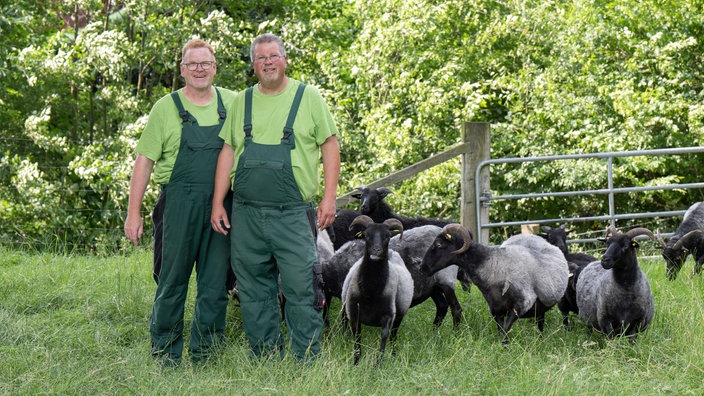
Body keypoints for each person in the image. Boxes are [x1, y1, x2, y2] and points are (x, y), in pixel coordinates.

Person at [211, 33, 340, 362]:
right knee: (254, 290)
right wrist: (217, 203)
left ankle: (306, 359)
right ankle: (265, 356)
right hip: (247, 213)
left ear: (284, 59)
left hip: (293, 214)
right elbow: (228, 150)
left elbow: (330, 146)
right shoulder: (243, 101)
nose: (268, 62)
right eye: (261, 57)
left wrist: (329, 198)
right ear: (253, 64)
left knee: (300, 288)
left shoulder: (308, 97)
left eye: (274, 56)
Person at [124, 38, 236, 367]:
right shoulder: (165, 107)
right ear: (183, 69)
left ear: (214, 67)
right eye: (193, 64)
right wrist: (134, 213)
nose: (200, 69)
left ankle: (207, 355)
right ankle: (165, 354)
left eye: (206, 63)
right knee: (171, 280)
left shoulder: (233, 103)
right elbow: (144, 161)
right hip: (177, 204)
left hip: (221, 204)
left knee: (215, 283)